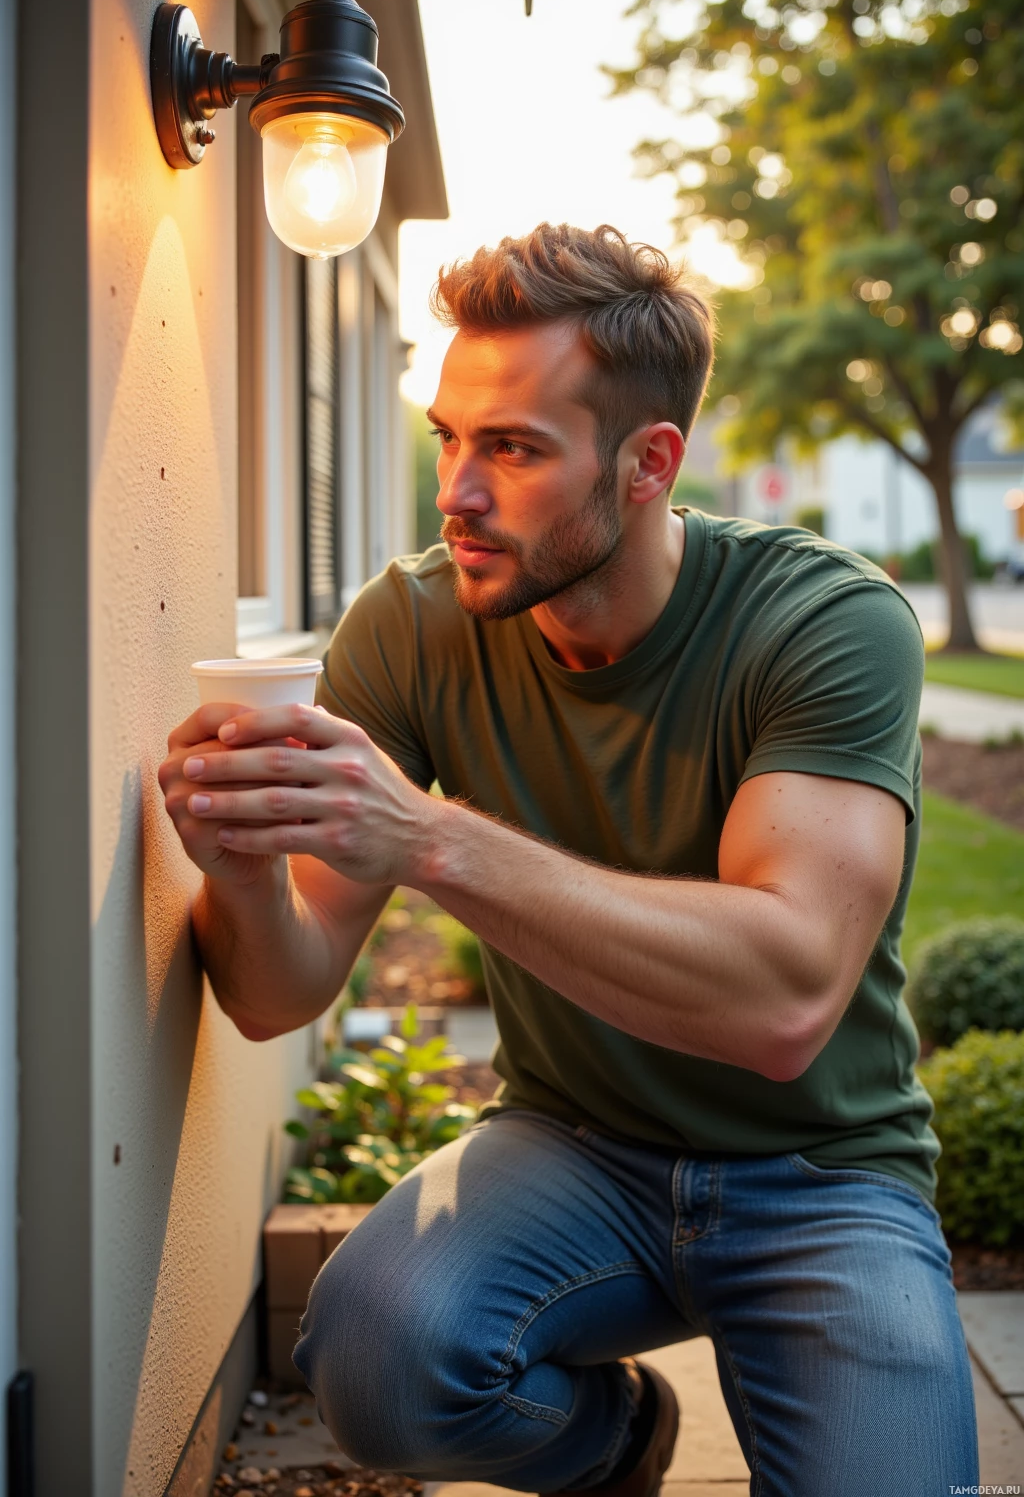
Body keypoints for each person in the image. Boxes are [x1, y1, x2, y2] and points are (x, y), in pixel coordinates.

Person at [160, 224, 978, 1497]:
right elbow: (274, 996)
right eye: (450, 436)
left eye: (514, 449)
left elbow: (782, 1002)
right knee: (379, 1362)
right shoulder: (413, 627)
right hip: (573, 1149)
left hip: (818, 1177)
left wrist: (426, 838)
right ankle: (612, 1447)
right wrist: (246, 862)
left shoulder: (824, 621)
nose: (457, 492)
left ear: (649, 463)